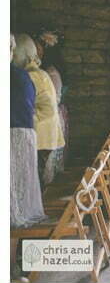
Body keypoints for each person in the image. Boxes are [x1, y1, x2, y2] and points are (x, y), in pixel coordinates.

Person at [14, 34, 65, 189]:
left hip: (41, 134)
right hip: (48, 134)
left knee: (31, 178)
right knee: (36, 176)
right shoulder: (40, 73)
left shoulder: (29, 77)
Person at [10, 34, 47, 228]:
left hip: (15, 132)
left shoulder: (19, 76)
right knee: (19, 185)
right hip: (25, 132)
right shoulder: (23, 75)